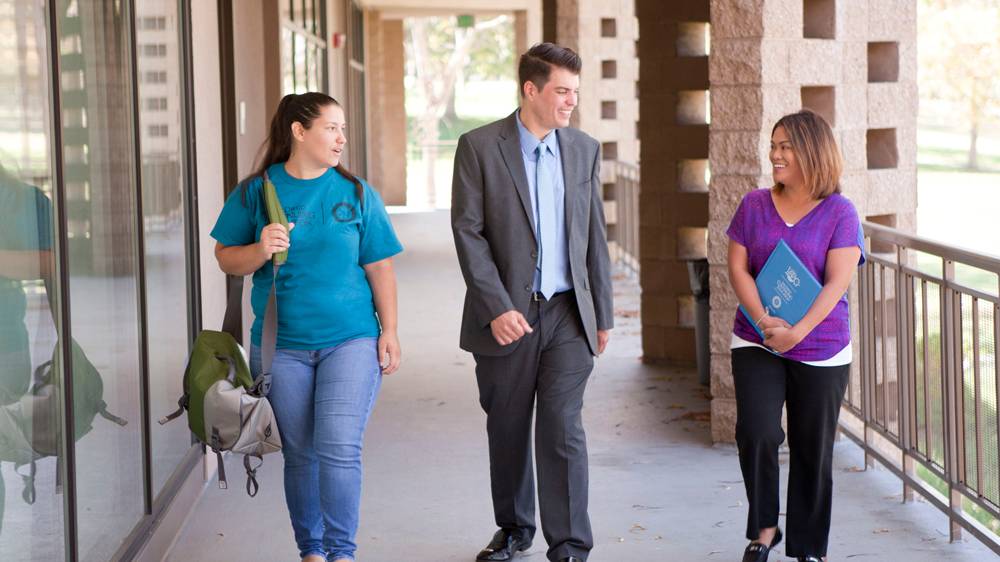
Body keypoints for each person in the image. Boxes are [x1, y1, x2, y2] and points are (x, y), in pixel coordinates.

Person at [210, 92, 402, 562]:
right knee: (301, 455)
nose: (341, 138)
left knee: (338, 446)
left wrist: (390, 330)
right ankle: (311, 551)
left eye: (342, 129)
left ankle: (341, 553)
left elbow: (379, 267)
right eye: (331, 128)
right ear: (299, 131)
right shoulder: (256, 191)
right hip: (282, 348)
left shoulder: (356, 192)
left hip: (352, 339)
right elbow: (225, 258)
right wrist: (259, 250)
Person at [450, 43, 613, 562]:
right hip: (508, 315)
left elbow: (594, 237)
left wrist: (602, 314)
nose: (571, 103)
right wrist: (497, 306)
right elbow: (468, 232)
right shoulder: (479, 146)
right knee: (509, 423)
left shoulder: (584, 149)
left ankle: (569, 544)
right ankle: (517, 528)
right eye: (562, 92)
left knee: (563, 425)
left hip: (568, 312)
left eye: (575, 93)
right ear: (530, 89)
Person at [726, 110, 865, 562]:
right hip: (756, 338)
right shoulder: (753, 204)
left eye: (786, 146)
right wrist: (766, 321)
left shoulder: (840, 212)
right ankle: (765, 528)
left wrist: (798, 332)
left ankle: (808, 547)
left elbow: (836, 283)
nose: (776, 154)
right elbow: (737, 268)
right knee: (758, 431)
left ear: (812, 151)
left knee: (812, 446)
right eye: (775, 145)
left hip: (821, 346)